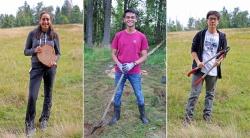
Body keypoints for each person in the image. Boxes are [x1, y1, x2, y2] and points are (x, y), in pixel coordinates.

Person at [184, 11, 227, 124]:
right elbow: (193, 50)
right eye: (210, 18)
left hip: (213, 71)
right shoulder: (200, 34)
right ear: (207, 20)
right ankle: (188, 119)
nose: (212, 21)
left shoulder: (222, 36)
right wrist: (198, 62)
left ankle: (207, 117)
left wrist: (219, 61)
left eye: (215, 19)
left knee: (210, 95)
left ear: (218, 21)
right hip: (199, 70)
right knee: (194, 94)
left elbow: (224, 53)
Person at [109, 9, 149, 125]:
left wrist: (133, 63)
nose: (130, 19)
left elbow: (144, 56)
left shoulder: (141, 36)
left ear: (136, 19)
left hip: (135, 71)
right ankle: (116, 116)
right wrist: (120, 65)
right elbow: (113, 53)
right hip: (120, 71)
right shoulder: (118, 35)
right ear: (124, 20)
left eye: (132, 17)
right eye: (128, 17)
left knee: (139, 94)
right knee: (117, 93)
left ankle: (143, 116)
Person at [24, 11, 60, 136]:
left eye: (48, 19)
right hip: (36, 68)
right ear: (40, 20)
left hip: (50, 69)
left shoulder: (54, 35)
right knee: (33, 96)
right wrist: (34, 50)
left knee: (48, 95)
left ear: (50, 21)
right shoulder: (33, 34)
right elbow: (25, 51)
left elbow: (58, 53)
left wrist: (54, 61)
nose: (45, 22)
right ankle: (29, 124)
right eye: (43, 19)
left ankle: (44, 119)